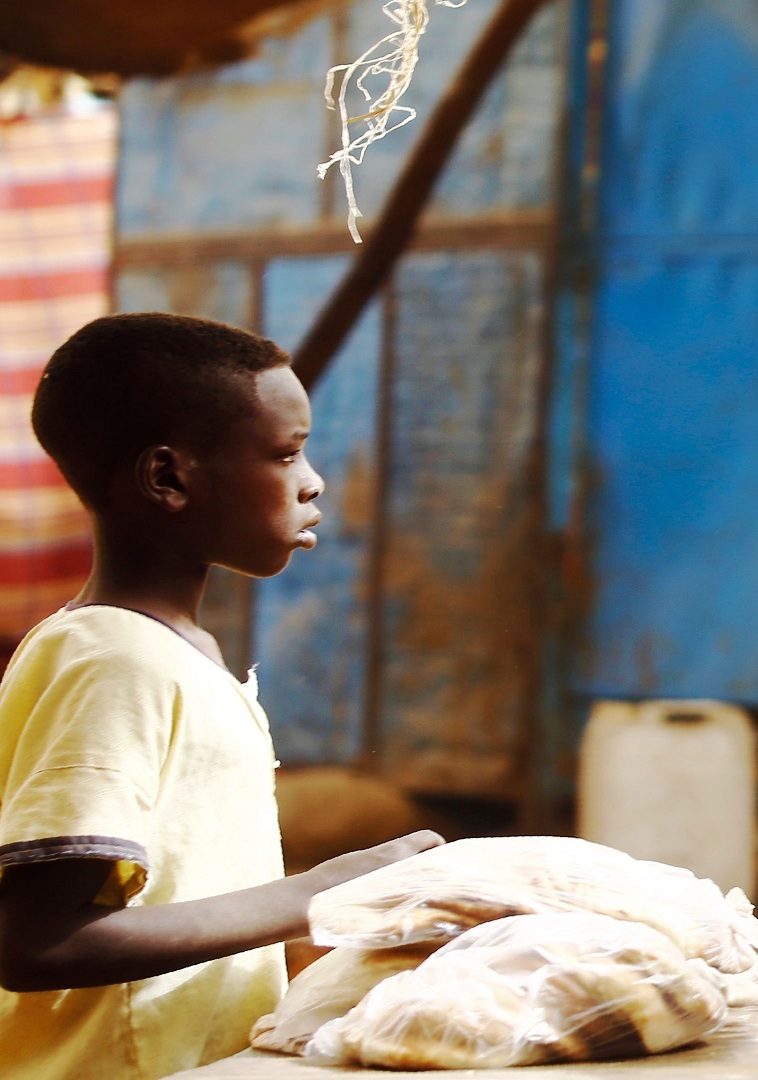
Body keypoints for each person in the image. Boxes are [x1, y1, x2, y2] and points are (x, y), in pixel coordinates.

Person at [0, 313, 443, 1079]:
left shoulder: (163, 651)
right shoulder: (113, 661)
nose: (313, 479)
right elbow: (39, 942)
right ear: (169, 478)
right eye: (285, 453)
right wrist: (315, 892)